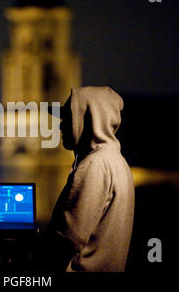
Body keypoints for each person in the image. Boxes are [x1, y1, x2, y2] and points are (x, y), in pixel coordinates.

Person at [45, 86, 134, 272]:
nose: (60, 125)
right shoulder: (115, 160)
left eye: (68, 117)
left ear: (89, 119)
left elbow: (67, 241)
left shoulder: (95, 165)